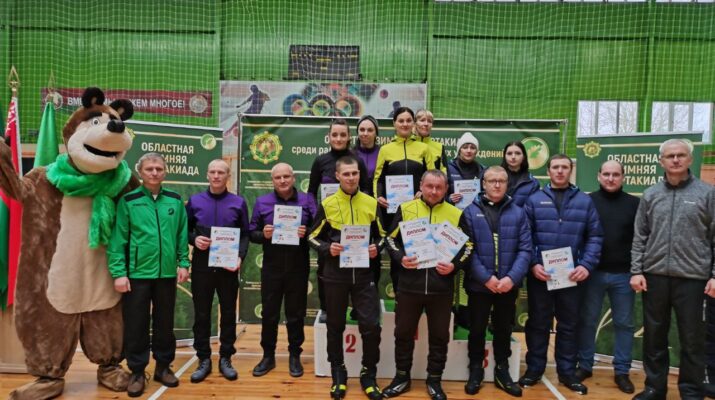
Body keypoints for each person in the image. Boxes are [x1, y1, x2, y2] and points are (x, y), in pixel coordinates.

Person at [630, 138, 715, 400]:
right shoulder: (651, 194)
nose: (675, 160)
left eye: (680, 155)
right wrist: (636, 270)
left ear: (690, 159)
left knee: (692, 340)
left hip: (693, 279)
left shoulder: (707, 193)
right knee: (654, 337)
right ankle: (654, 389)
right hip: (655, 277)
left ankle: (691, 392)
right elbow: (640, 236)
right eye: (670, 156)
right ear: (661, 161)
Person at [382, 169, 472, 400]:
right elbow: (390, 239)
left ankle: (434, 381)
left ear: (446, 189)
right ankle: (402, 378)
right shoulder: (406, 209)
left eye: (439, 187)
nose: (433, 191)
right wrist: (401, 258)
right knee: (403, 333)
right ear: (421, 186)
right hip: (409, 286)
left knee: (440, 336)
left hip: (441, 288)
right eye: (429, 186)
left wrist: (454, 266)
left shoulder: (456, 213)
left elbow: (468, 246)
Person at [107, 153, 190, 398]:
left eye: (159, 168)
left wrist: (183, 263)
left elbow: (181, 235)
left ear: (165, 172)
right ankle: (136, 371)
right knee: (136, 324)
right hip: (137, 274)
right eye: (149, 169)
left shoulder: (175, 200)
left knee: (165, 323)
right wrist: (119, 273)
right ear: (140, 172)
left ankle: (163, 367)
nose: (154, 173)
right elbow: (118, 240)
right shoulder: (129, 201)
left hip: (166, 275)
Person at [520, 154, 603, 395]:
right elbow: (525, 236)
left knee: (569, 325)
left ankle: (567, 372)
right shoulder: (534, 200)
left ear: (570, 171)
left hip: (572, 277)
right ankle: (534, 369)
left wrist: (586, 265)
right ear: (548, 171)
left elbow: (595, 236)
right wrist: (533, 264)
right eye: (555, 167)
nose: (559, 171)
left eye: (564, 167)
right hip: (541, 276)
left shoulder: (585, 201)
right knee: (538, 323)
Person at [308, 156, 384, 400]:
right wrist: (326, 248)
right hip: (335, 275)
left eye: (355, 173)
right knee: (335, 326)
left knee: (370, 326)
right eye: (346, 174)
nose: (351, 178)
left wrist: (376, 247)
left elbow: (384, 236)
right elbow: (311, 237)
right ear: (337, 176)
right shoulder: (328, 203)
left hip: (363, 275)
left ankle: (368, 374)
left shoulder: (371, 203)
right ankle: (338, 374)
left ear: (359, 175)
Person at [461, 166, 531, 397]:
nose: (497, 185)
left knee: (503, 329)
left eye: (502, 180)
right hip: (479, 285)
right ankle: (475, 369)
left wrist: (511, 278)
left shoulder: (518, 213)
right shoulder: (470, 212)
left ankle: (502, 370)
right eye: (492, 181)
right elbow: (467, 251)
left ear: (507, 183)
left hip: (507, 286)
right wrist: (486, 278)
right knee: (477, 329)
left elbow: (525, 249)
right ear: (484, 184)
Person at [574, 160, 639, 394]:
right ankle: (585, 364)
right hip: (593, 273)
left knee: (624, 324)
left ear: (623, 177)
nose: (611, 178)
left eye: (616, 174)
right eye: (607, 174)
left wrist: (638, 271)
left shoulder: (635, 204)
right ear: (599, 176)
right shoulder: (587, 201)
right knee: (587, 321)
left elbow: (640, 239)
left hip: (624, 275)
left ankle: (622, 371)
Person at [249, 162, 317, 378]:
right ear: (272, 180)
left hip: (298, 267)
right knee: (269, 313)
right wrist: (264, 234)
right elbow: (251, 233)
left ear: (293, 178)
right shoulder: (262, 202)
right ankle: (268, 356)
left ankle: (295, 355)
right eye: (278, 177)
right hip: (272, 268)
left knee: (295, 314)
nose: (283, 180)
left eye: (286, 176)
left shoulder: (308, 200)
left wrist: (306, 232)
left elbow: (319, 230)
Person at [185, 159, 249, 383]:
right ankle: (203, 358)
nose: (216, 176)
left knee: (229, 313)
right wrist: (194, 239)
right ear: (207, 175)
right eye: (212, 171)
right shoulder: (195, 201)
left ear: (227, 176)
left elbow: (245, 234)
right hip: (202, 265)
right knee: (202, 313)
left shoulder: (238, 203)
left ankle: (225, 358)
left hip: (228, 265)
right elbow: (184, 230)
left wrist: (240, 256)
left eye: (221, 172)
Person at [308, 118, 370, 323]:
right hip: (329, 223)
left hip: (355, 223)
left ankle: (357, 307)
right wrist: (317, 214)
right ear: (329, 136)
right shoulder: (320, 161)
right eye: (335, 134)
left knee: (357, 266)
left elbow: (366, 189)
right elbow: (311, 192)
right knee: (326, 264)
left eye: (343, 134)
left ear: (349, 136)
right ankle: (326, 308)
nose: (339, 138)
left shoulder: (357, 160)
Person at [374, 106, 435, 291]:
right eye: (401, 121)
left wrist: (423, 192)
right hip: (394, 212)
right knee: (397, 253)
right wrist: (379, 196)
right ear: (394, 124)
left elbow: (433, 176)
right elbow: (378, 178)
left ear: (413, 123)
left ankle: (420, 294)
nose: (405, 124)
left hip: (419, 209)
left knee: (421, 250)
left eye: (409, 120)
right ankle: (400, 296)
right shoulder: (386, 150)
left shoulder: (424, 148)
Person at [354, 115, 384, 287]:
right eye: (362, 130)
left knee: (374, 249)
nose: (365, 133)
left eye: (370, 130)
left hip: (377, 209)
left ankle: (371, 289)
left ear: (376, 133)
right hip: (355, 208)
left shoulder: (383, 153)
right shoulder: (350, 154)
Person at [446, 132, 486, 207]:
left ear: (476, 151)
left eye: (472, 148)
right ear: (459, 150)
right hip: (452, 211)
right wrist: (449, 199)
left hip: (476, 211)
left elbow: (487, 194)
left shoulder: (483, 170)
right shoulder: (447, 168)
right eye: (465, 147)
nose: (469, 151)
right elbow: (438, 192)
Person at [501, 141, 540, 207]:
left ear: (524, 156)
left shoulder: (532, 183)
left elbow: (532, 207)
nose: (513, 157)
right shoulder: (495, 178)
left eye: (517, 153)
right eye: (509, 153)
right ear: (504, 156)